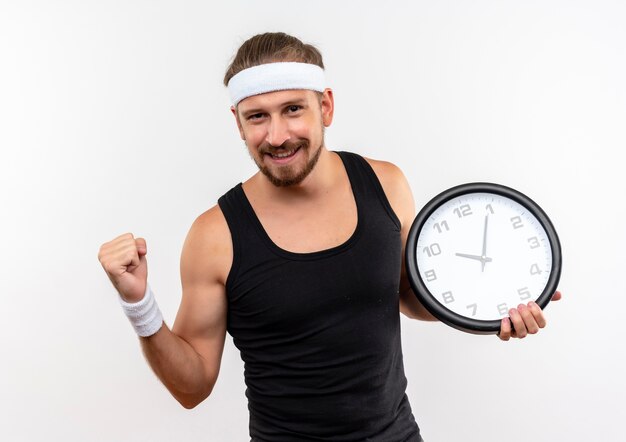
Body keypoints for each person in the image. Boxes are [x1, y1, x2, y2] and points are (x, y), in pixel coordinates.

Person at [98, 32, 562, 441]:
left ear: (326, 107)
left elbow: (411, 293)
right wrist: (139, 305)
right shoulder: (214, 235)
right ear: (238, 123)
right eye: (257, 116)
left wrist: (494, 305)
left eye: (293, 109)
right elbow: (192, 387)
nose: (277, 135)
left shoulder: (386, 183)